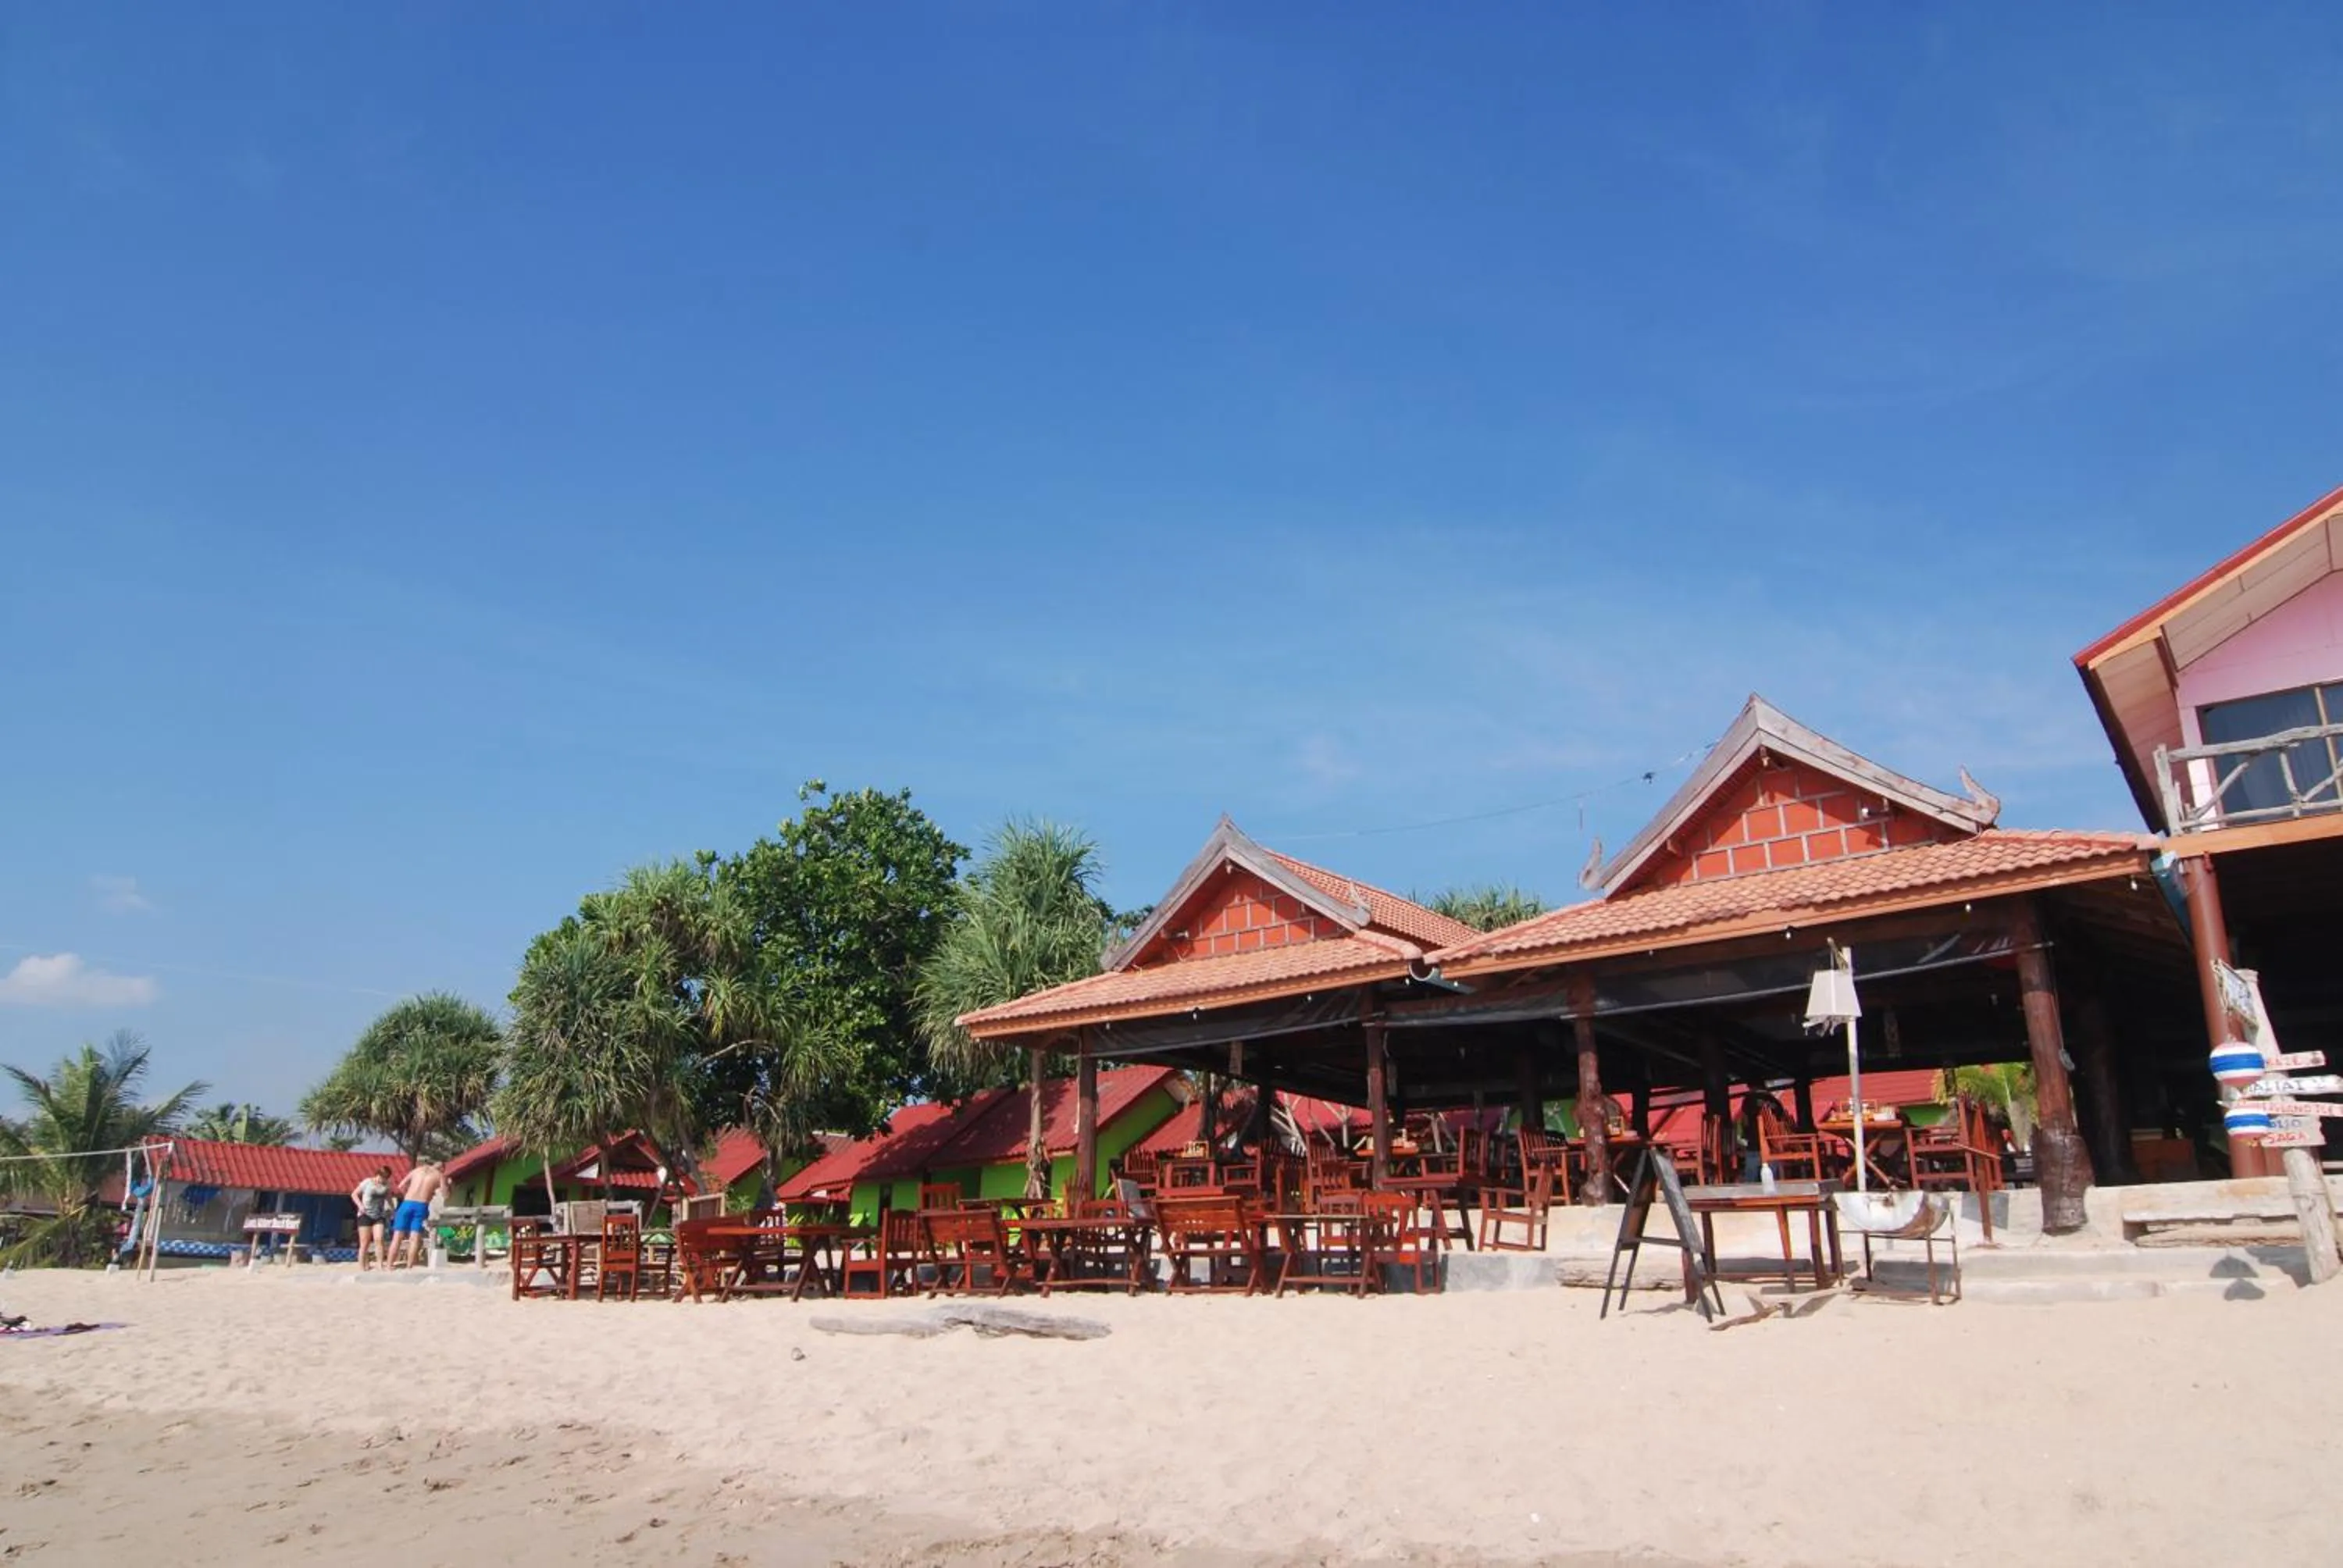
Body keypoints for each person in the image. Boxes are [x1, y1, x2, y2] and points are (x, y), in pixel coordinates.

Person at [387, 1158, 448, 1270]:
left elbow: (401, 1186)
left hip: (407, 1203)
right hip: (421, 1205)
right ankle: (409, 1266)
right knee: (414, 1238)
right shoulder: (439, 1175)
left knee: (397, 1237)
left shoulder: (416, 1170)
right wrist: (445, 1186)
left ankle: (389, 1265)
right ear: (442, 1169)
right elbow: (445, 1195)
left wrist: (407, 1195)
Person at [351, 1165, 394, 1270]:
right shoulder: (367, 1182)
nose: (383, 1180)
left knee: (379, 1239)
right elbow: (354, 1194)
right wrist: (360, 1206)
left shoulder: (387, 1185)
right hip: (365, 1215)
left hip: (379, 1215)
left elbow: (389, 1199)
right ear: (377, 1175)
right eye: (382, 1177)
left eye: (385, 1178)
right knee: (364, 1242)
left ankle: (379, 1265)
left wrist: (393, 1210)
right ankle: (363, 1266)